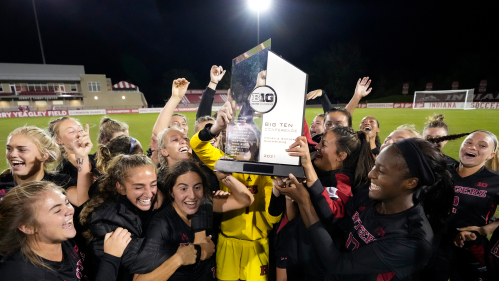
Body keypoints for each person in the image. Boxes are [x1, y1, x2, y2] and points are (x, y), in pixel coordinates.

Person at [276, 138, 454, 280]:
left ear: (410, 183)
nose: (371, 174)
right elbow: (335, 222)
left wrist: (305, 202)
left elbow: (337, 263)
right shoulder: (369, 197)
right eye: (375, 166)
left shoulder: (412, 239)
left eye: (381, 171)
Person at [191, 101, 282, 281]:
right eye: (240, 139)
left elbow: (273, 217)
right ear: (229, 142)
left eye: (250, 138)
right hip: (227, 243)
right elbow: (197, 145)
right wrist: (215, 128)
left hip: (256, 246)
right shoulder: (225, 160)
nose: (245, 142)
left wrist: (277, 189)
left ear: (257, 142)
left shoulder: (267, 171)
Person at [269, 126, 374, 280]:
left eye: (324, 144)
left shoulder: (343, 180)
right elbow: (274, 211)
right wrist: (278, 188)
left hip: (316, 265)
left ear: (342, 155)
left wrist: (308, 167)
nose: (317, 146)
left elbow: (332, 214)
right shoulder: (311, 170)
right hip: (294, 253)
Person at [138, 160, 254, 280]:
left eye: (197, 187)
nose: (192, 195)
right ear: (171, 192)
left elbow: (245, 200)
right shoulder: (161, 224)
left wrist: (225, 178)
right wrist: (179, 259)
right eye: (183, 189)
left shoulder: (204, 205)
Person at [0, 181, 131, 281]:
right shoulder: (22, 274)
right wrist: (111, 258)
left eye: (67, 202)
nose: (70, 210)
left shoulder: (63, 236)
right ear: (27, 227)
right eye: (57, 210)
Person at [441, 131, 499, 280]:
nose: (472, 147)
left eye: (482, 145)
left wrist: (484, 229)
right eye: (468, 142)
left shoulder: (495, 181)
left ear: (491, 155)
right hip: (434, 244)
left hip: (470, 249)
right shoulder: (441, 172)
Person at [0, 125, 92, 207]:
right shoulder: (2, 183)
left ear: (44, 155)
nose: (12, 154)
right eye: (9, 149)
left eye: (22, 150)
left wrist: (82, 156)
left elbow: (81, 201)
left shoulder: (59, 182)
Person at [148, 78, 190, 165]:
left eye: (185, 138)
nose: (183, 141)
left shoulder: (194, 151)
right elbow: (158, 132)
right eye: (175, 139)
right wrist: (175, 98)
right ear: (164, 151)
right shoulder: (163, 175)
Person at [48, 117, 98, 184]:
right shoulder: (60, 174)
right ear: (58, 140)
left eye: (81, 129)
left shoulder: (99, 159)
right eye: (72, 131)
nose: (80, 134)